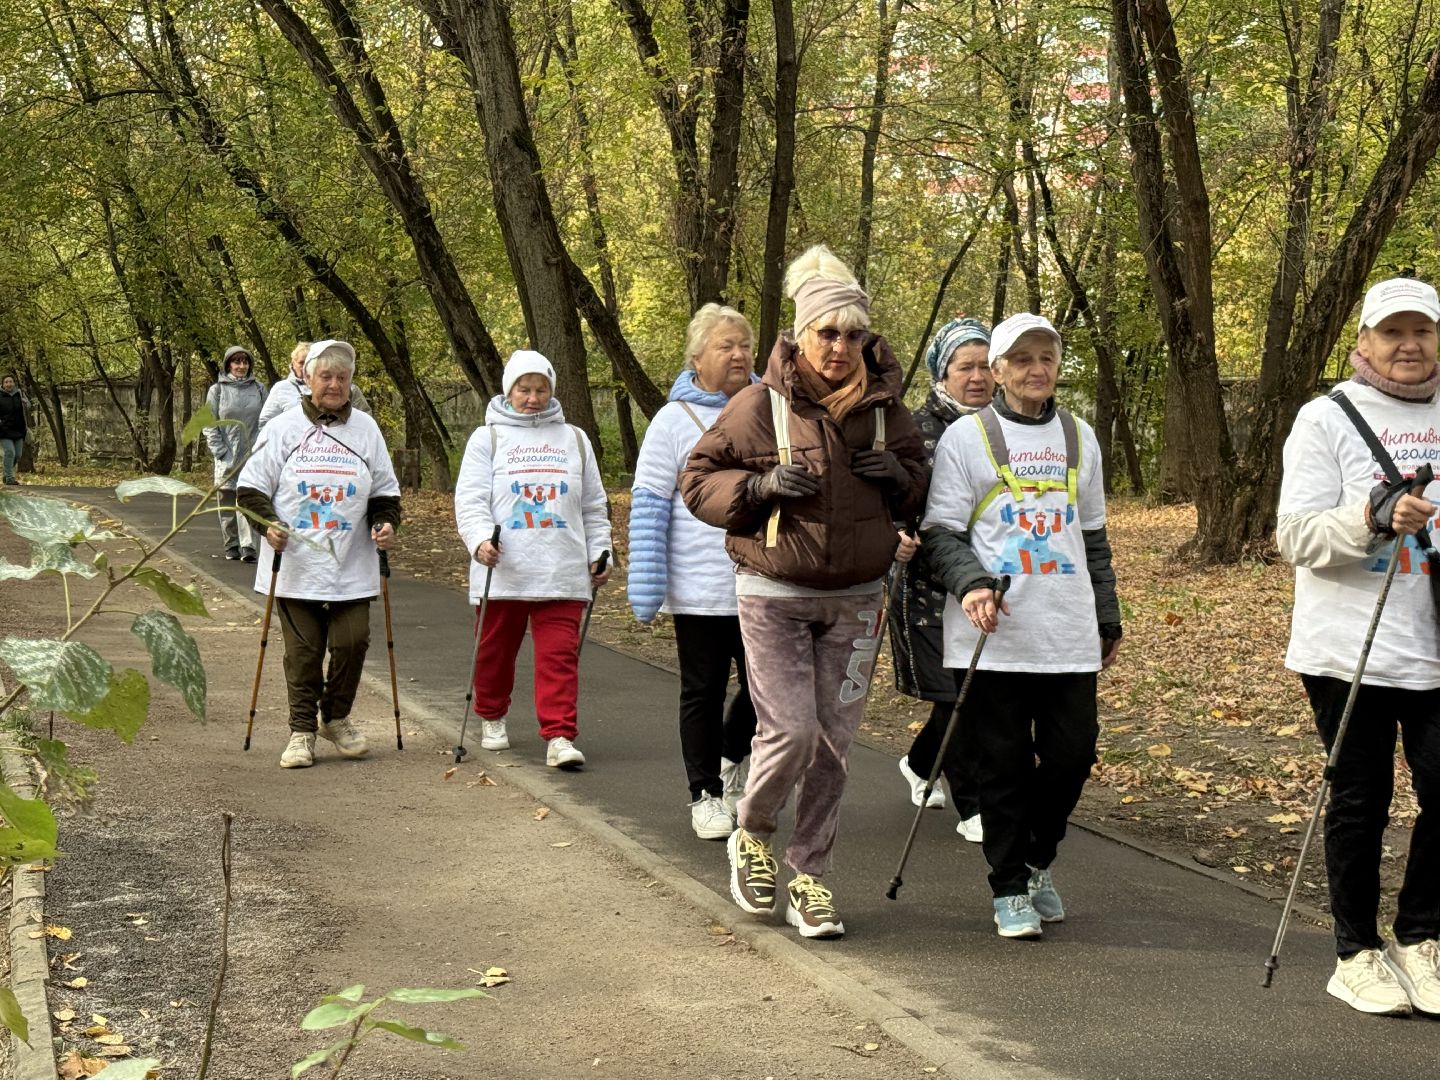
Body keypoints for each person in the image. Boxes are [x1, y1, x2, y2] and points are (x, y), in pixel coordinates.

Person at [682, 245, 928, 938]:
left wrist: (897, 480)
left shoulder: (887, 412)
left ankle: (810, 877)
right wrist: (757, 488)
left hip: (857, 599)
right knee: (789, 731)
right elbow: (698, 480)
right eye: (828, 333)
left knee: (833, 748)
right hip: (775, 592)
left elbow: (919, 489)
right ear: (801, 334)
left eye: (854, 335)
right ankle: (752, 834)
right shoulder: (759, 406)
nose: (841, 348)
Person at [922, 312, 1121, 940]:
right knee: (1001, 766)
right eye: (1022, 360)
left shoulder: (1080, 437)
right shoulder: (965, 439)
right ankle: (1008, 886)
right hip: (991, 634)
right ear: (1000, 370)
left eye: (1047, 358)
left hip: (1066, 630)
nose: (1037, 370)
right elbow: (941, 533)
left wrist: (1107, 617)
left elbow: (1092, 538)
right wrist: (972, 582)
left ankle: (1037, 861)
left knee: (1072, 757)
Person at [1276, 276, 1440, 1017]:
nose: (1409, 346)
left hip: (1436, 640)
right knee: (1361, 800)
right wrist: (1373, 518)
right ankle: (1356, 951)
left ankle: (1420, 938)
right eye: (1392, 332)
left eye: (1423, 331)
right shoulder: (1326, 419)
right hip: (1352, 648)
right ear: (1363, 342)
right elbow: (1296, 537)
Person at [236, 340, 401, 770]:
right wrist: (267, 525)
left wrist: (385, 523)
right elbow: (250, 489)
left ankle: (336, 716)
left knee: (353, 641)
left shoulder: (366, 429)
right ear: (307, 379)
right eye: (325, 376)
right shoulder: (282, 428)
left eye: (341, 378)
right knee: (304, 652)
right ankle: (302, 731)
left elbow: (385, 490)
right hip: (296, 561)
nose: (333, 384)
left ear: (350, 383)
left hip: (352, 557)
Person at [629, 303, 760, 840]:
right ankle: (704, 793)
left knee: (767, 689)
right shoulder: (672, 420)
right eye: (725, 346)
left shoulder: (770, 408)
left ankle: (732, 758)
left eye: (745, 345)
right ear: (697, 358)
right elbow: (650, 503)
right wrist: (648, 585)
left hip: (764, 580)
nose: (738, 354)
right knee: (702, 689)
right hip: (701, 585)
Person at [454, 351, 611, 770]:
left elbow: (594, 506)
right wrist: (479, 539)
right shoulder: (487, 438)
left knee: (559, 656)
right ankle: (491, 714)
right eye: (524, 389)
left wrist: (601, 551)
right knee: (494, 652)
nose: (533, 397)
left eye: (541, 389)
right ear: (509, 390)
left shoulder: (574, 439)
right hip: (503, 568)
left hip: (561, 567)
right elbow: (469, 501)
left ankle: (559, 735)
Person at [890, 318, 993, 842]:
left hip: (987, 579)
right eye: (964, 367)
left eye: (983, 366)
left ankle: (919, 761)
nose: (976, 377)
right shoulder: (914, 428)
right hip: (927, 582)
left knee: (969, 692)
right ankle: (973, 806)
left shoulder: (1005, 427)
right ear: (942, 372)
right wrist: (895, 535)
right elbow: (890, 495)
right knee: (957, 695)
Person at [205, 346, 268, 562]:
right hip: (226, 455)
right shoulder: (217, 391)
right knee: (227, 500)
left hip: (251, 454)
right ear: (228, 365)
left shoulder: (259, 389)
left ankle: (248, 546)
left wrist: (261, 448)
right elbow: (209, 423)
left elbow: (267, 420)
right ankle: (231, 543)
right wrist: (220, 451)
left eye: (245, 362)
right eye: (236, 362)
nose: (241, 366)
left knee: (246, 498)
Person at [259, 341, 371, 429]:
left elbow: (365, 420)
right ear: (293, 364)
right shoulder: (281, 388)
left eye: (309, 362)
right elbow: (266, 422)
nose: (305, 367)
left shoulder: (348, 389)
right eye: (302, 362)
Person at [0, 375, 28, 486]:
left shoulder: (19, 393)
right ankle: (10, 478)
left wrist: (25, 402)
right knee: (10, 452)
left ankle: (6, 474)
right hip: (4, 430)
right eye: (6, 382)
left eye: (10, 382)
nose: (8, 384)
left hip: (19, 429)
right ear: (2, 384)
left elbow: (28, 406)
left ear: (14, 383)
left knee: (18, 455)